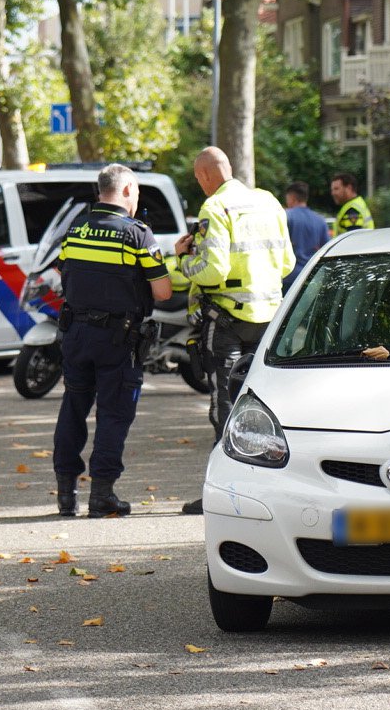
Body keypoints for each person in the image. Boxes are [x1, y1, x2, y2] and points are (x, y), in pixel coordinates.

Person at [176, 148, 294, 515]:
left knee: (225, 406)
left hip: (227, 320)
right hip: (269, 321)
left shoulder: (215, 208)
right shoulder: (269, 202)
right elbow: (287, 263)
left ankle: (224, 494)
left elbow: (213, 271)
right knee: (266, 404)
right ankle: (268, 494)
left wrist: (185, 261)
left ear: (205, 176)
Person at [52, 164, 172, 518]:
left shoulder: (76, 229)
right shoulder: (137, 234)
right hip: (118, 339)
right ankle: (101, 495)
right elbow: (163, 292)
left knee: (73, 407)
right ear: (127, 190)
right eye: (137, 192)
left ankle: (66, 495)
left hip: (76, 333)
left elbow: (62, 269)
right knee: (114, 414)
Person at [282, 180, 329, 294]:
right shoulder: (320, 220)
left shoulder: (286, 216)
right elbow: (326, 249)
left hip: (290, 277)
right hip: (312, 275)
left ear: (292, 198)